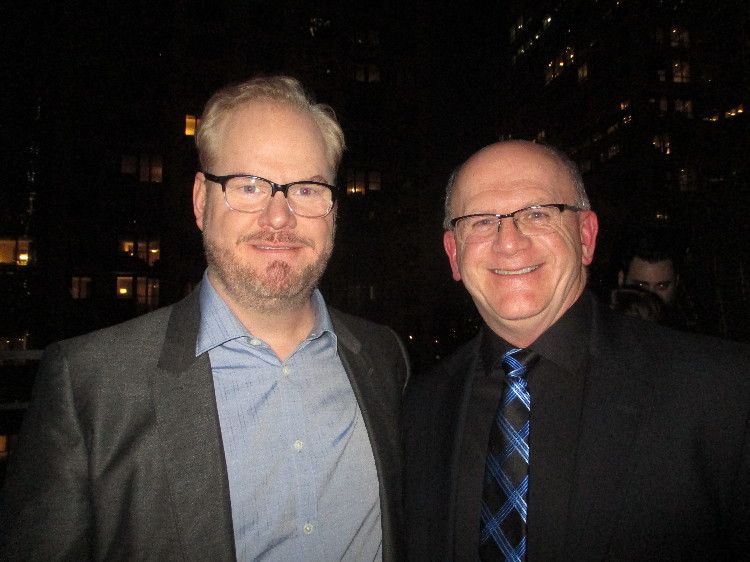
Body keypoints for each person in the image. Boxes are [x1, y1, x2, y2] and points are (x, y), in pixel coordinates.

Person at [0, 76, 409, 561]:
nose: (279, 217)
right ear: (201, 201)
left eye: (306, 189)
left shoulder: (384, 358)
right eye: (249, 186)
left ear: (334, 209)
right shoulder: (91, 384)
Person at [403, 140, 749, 561]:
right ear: (454, 254)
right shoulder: (419, 407)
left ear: (586, 236)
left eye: (537, 214)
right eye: (480, 221)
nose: (508, 241)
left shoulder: (723, 391)